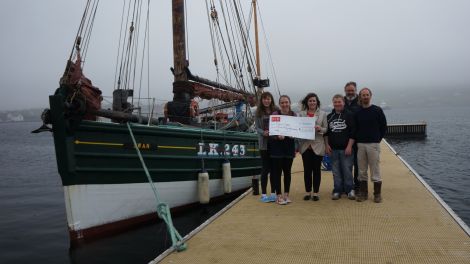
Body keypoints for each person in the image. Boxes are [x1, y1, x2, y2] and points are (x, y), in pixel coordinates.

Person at [355, 88, 387, 203]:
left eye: (367, 95)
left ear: (370, 96)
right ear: (360, 97)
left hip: (373, 144)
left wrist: (377, 139)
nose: (365, 97)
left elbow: (383, 127)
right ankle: (363, 194)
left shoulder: (377, 110)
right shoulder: (357, 112)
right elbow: (355, 127)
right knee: (362, 171)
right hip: (361, 144)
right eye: (363, 95)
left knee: (375, 170)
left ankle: (377, 195)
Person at [325, 94, 356, 200]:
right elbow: (326, 133)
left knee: (347, 170)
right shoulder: (329, 117)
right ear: (333, 103)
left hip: (346, 149)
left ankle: (349, 189)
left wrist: (349, 146)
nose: (337, 104)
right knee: (335, 171)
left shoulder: (349, 115)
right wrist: (326, 145)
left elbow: (353, 132)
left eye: (339, 102)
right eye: (335, 102)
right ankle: (337, 190)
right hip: (333, 149)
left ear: (343, 103)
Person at [298, 93, 328, 201]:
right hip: (305, 146)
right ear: (307, 102)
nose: (312, 102)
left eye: (314, 101)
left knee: (316, 170)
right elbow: (298, 128)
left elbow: (326, 129)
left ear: (317, 102)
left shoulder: (323, 114)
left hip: (318, 145)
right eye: (310, 101)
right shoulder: (301, 114)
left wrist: (320, 128)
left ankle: (315, 193)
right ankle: (307, 192)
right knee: (307, 170)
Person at [269, 95, 296, 205]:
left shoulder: (294, 115)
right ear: (279, 104)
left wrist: (293, 135)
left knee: (287, 172)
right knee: (277, 172)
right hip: (277, 147)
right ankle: (278, 195)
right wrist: (277, 136)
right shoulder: (275, 115)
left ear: (289, 103)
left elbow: (297, 130)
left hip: (289, 146)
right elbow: (272, 132)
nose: (285, 104)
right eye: (282, 103)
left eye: (286, 102)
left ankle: (286, 195)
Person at [255, 92, 277, 202]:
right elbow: (257, 127)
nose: (266, 101)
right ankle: (263, 194)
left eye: (268, 99)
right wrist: (263, 132)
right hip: (264, 144)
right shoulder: (258, 112)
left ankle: (273, 192)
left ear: (271, 100)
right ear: (262, 100)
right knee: (265, 169)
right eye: (264, 99)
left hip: (274, 143)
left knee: (273, 169)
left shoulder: (276, 110)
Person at [343, 81, 361, 192]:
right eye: (348, 90)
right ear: (345, 90)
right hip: (344, 139)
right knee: (346, 165)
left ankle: (358, 187)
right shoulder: (341, 102)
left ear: (355, 90)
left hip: (359, 139)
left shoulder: (360, 102)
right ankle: (348, 187)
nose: (350, 92)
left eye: (352, 90)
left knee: (358, 165)